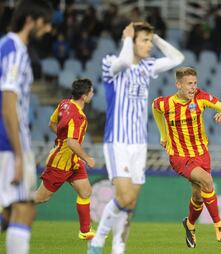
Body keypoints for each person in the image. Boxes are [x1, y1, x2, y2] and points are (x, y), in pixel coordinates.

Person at [88, 22, 184, 254]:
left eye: (150, 41)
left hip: (139, 144)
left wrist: (157, 38)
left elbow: (177, 58)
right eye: (145, 40)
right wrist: (127, 40)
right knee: (123, 195)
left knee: (130, 202)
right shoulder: (111, 63)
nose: (149, 45)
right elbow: (123, 62)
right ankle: (98, 240)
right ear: (131, 41)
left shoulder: (147, 67)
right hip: (118, 141)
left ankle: (118, 249)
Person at [152, 67, 221, 248]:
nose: (193, 88)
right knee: (207, 181)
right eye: (189, 84)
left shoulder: (201, 97)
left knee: (198, 197)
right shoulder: (165, 104)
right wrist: (163, 135)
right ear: (178, 84)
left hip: (202, 154)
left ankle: (189, 225)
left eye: (195, 83)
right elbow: (155, 108)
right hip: (180, 156)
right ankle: (219, 226)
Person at [0, 1, 52, 253]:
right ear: (30, 20)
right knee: (24, 208)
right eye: (45, 22)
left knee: (11, 210)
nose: (49, 28)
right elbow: (8, 102)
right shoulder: (15, 51)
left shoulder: (4, 47)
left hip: (7, 142)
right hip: (9, 144)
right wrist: (19, 154)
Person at [34, 79, 96, 240]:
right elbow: (72, 142)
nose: (93, 94)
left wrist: (63, 141)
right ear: (84, 96)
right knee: (41, 198)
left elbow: (51, 124)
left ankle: (85, 231)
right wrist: (87, 158)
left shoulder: (64, 104)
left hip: (73, 162)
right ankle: (8, 204)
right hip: (60, 163)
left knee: (86, 191)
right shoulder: (79, 117)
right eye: (91, 91)